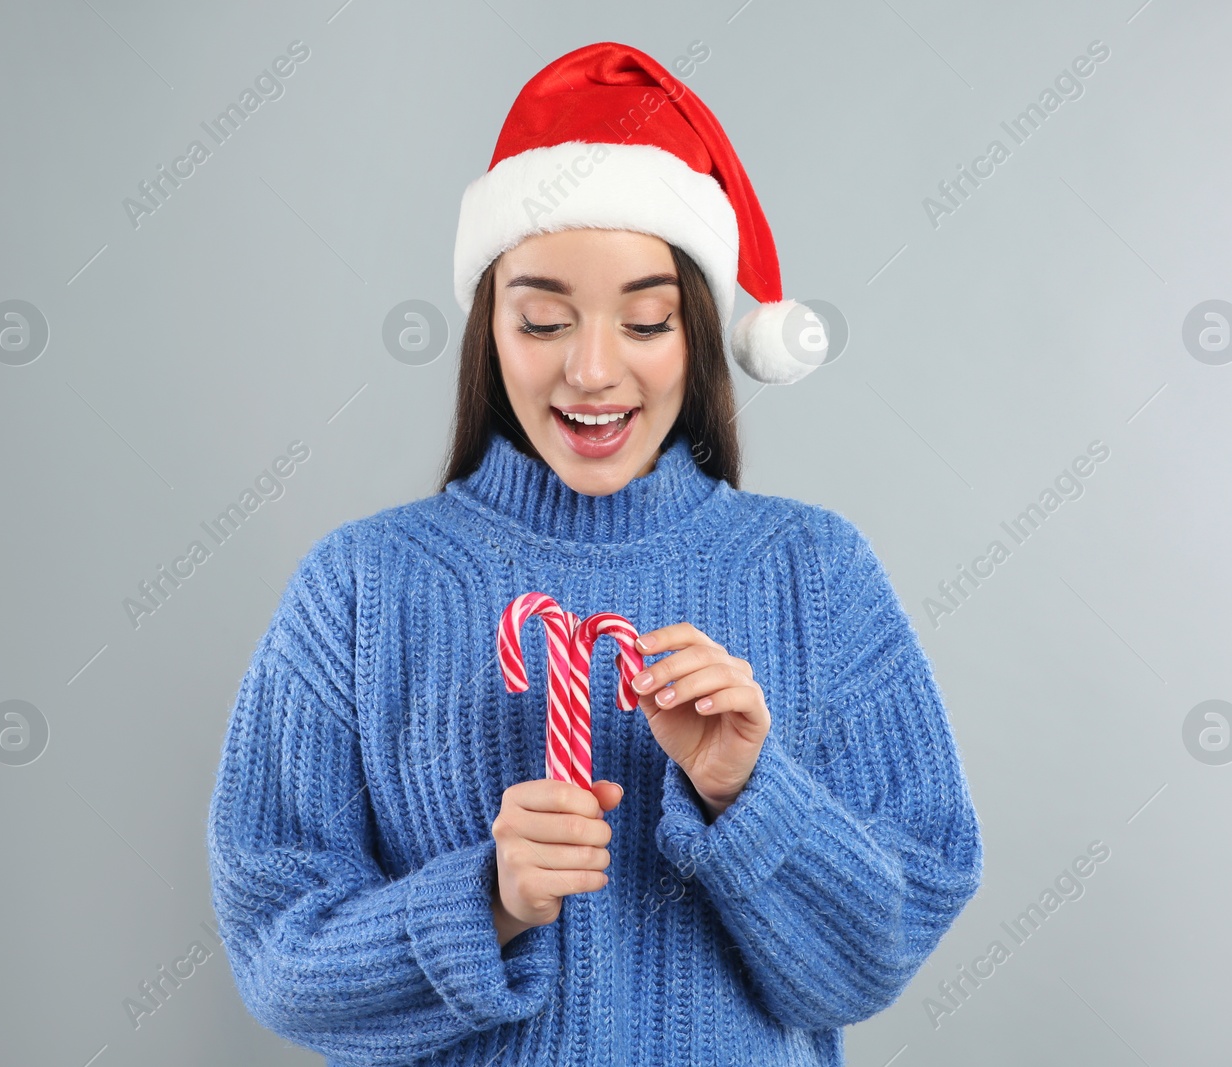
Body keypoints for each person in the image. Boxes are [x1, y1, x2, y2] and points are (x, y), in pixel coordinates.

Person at [206, 40, 982, 1067]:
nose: (592, 368)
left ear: (696, 331)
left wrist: (750, 791)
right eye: (542, 317)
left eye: (646, 319)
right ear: (489, 327)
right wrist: (485, 902)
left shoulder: (814, 571)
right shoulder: (360, 587)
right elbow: (276, 950)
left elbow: (876, 951)